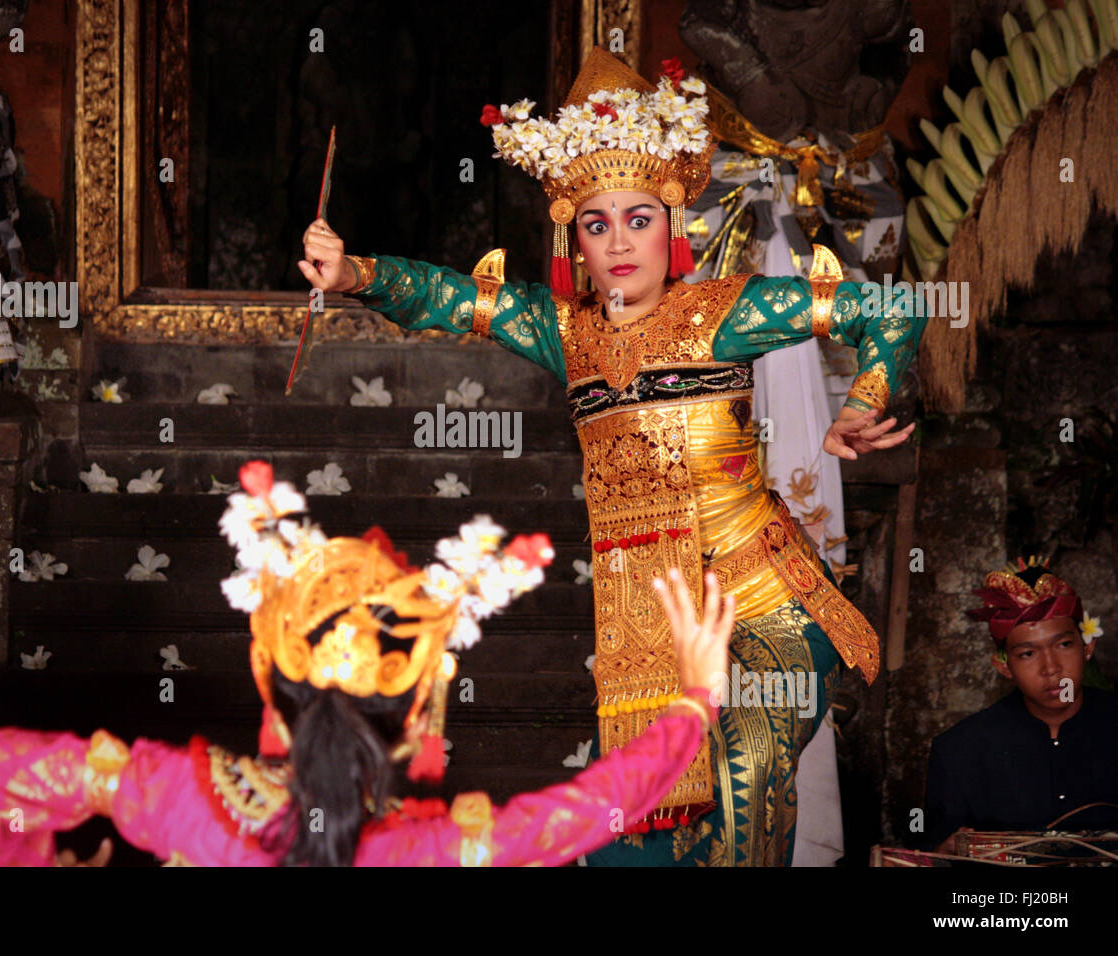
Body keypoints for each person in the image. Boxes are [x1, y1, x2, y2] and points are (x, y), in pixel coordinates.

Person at [297, 47, 925, 865]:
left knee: (742, 772)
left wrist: (866, 399)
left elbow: (893, 308)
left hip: (766, 607)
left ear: (672, 223)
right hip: (650, 630)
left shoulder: (725, 314)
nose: (620, 244)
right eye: (598, 224)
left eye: (639, 219)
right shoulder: (567, 332)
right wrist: (354, 274)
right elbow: (450, 298)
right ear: (575, 238)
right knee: (622, 829)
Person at [0, 460, 732, 867]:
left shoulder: (173, 800)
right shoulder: (443, 850)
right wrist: (695, 700)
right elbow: (598, 807)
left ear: (273, 688)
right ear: (418, 720)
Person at [924, 556, 1118, 854]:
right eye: (1028, 654)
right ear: (1004, 666)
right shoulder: (960, 751)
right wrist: (946, 851)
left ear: (1087, 648)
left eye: (1064, 645)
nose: (1051, 668)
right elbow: (932, 853)